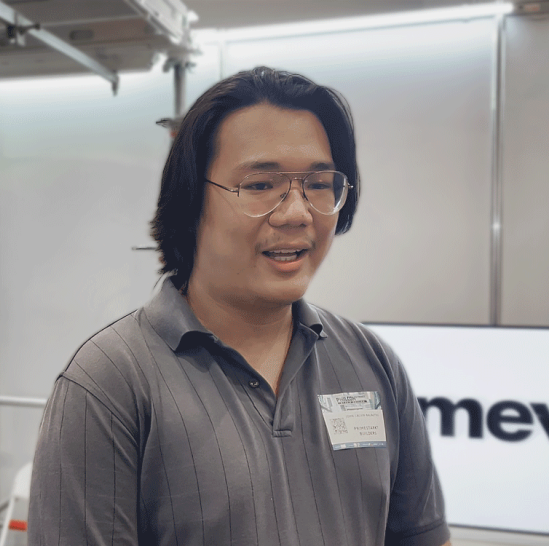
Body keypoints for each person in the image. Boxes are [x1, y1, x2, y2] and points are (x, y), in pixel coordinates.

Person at [28, 67, 450, 546]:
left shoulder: (372, 364)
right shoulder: (109, 385)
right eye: (260, 185)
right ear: (191, 200)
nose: (297, 213)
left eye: (319, 183)